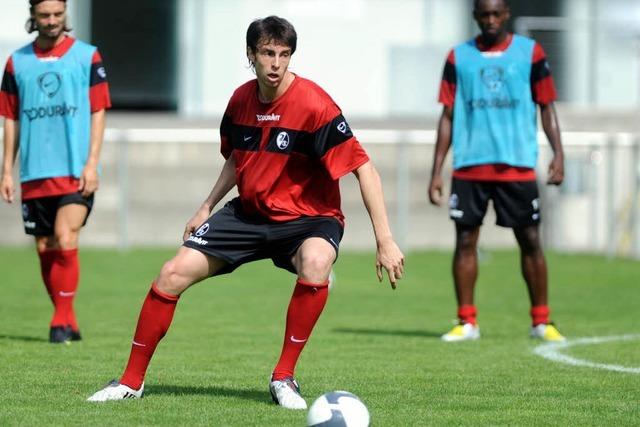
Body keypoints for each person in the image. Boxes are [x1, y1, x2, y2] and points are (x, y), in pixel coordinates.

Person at [87, 16, 404, 408]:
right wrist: (206, 206)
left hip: (307, 218)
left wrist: (385, 240)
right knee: (171, 274)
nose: (276, 63)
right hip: (249, 214)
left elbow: (364, 167)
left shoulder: (314, 104)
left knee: (317, 259)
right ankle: (130, 381)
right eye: (268, 53)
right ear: (250, 55)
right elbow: (239, 158)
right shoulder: (240, 100)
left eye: (284, 55)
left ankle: (284, 378)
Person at [428, 0, 566, 342]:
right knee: (464, 241)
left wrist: (558, 154)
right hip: (470, 166)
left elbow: (546, 107)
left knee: (531, 241)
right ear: (475, 16)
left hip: (516, 164)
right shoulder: (457, 57)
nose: (490, 20)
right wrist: (436, 171)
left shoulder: (530, 53)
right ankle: (467, 322)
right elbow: (447, 117)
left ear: (507, 14)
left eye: (496, 14)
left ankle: (541, 322)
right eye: (484, 14)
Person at [0, 0, 111, 343]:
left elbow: (98, 110)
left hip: (75, 171)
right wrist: (6, 170)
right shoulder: (17, 62)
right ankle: (67, 317)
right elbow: (10, 118)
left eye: (58, 14)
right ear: (33, 16)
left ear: (66, 14)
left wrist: (92, 163)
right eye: (44, 15)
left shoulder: (87, 56)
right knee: (45, 246)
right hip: (34, 171)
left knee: (66, 235)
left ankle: (59, 321)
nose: (51, 21)